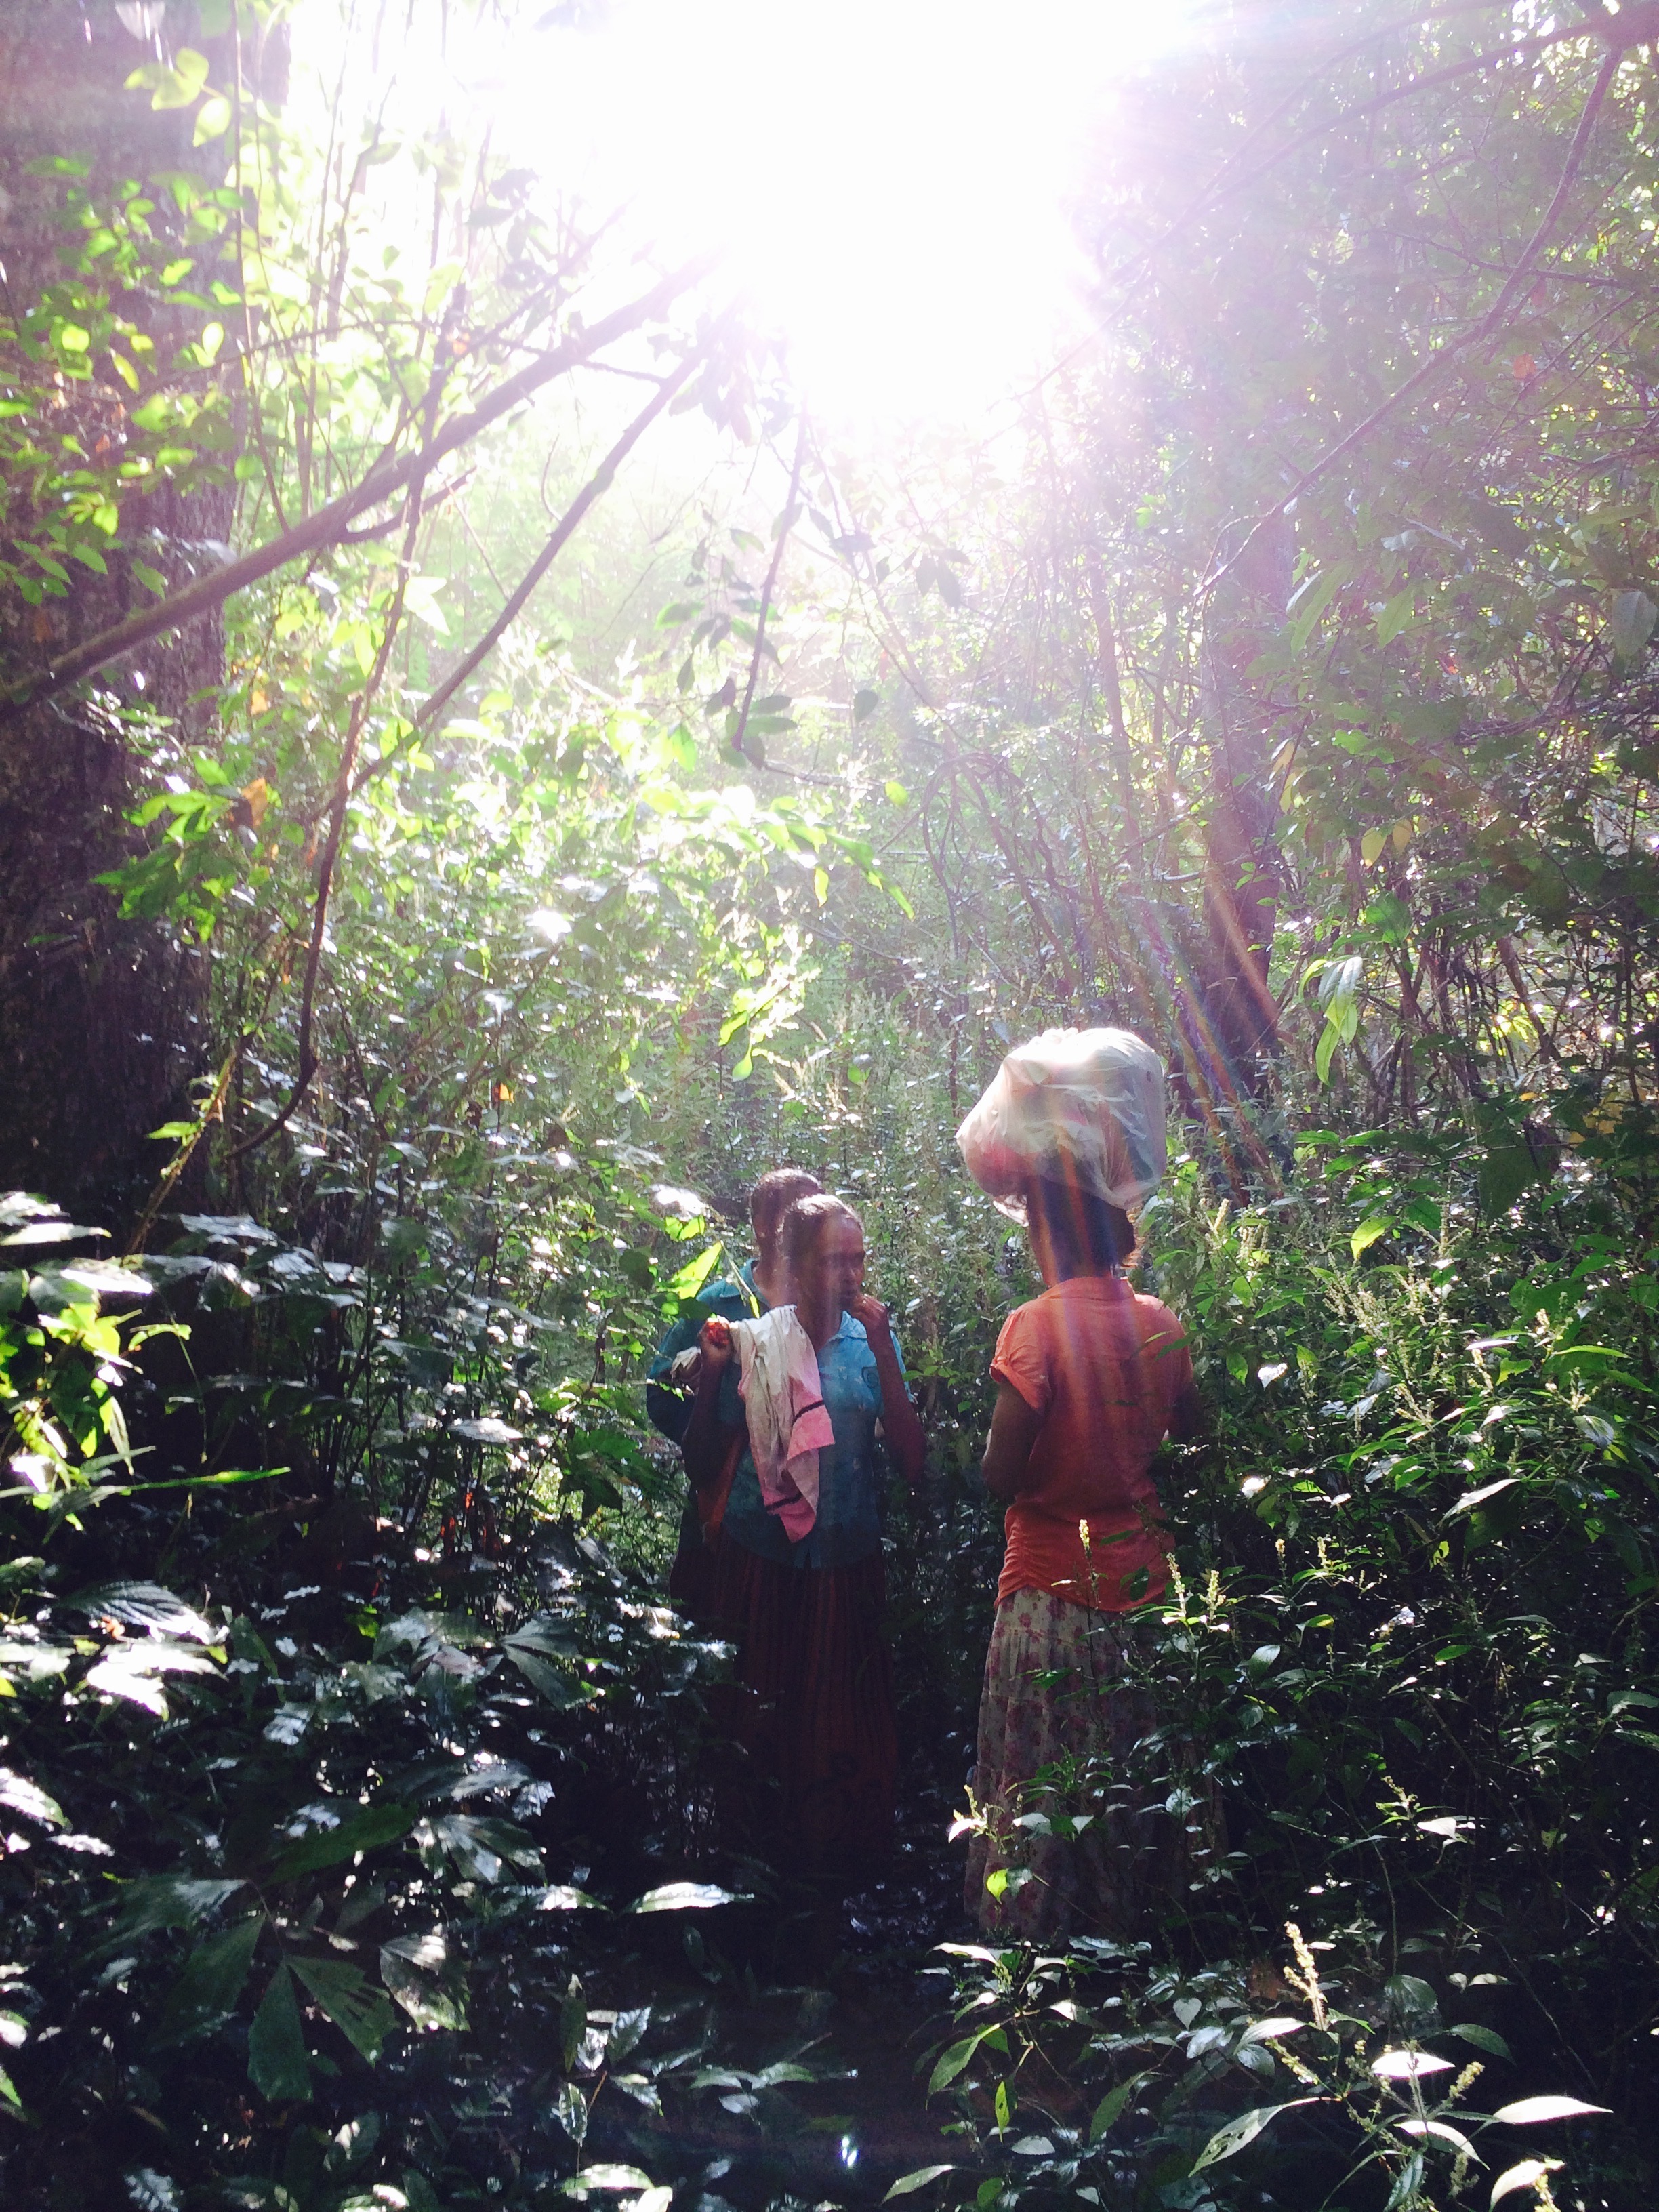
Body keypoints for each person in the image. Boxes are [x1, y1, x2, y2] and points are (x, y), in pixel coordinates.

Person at [963, 1167, 1208, 1942]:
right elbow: (1197, 1430)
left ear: (1050, 1235)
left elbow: (1001, 1475)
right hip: (1145, 1590)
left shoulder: (1033, 1328)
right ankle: (1148, 1929)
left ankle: (1039, 1946)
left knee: (1038, 1777)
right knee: (1142, 1773)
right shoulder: (1159, 1320)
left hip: (1049, 1592)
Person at [683, 1193, 926, 1882]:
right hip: (761, 1563)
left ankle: (831, 1882)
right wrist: (710, 1378)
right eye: (832, 1263)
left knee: (836, 1730)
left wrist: (883, 1352)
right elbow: (701, 1463)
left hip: (844, 1567)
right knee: (758, 1722)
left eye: (858, 1261)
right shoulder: (755, 1344)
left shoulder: (871, 1345)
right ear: (794, 1266)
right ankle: (747, 1876)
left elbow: (913, 1463)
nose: (850, 1277)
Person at [646, 1168, 822, 1616]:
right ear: (763, 1226)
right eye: (798, 1216)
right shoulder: (718, 1303)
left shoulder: (827, 1309)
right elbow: (660, 1391)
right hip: (723, 1514)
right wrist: (720, 1433)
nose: (811, 1229)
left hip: (810, 1528)